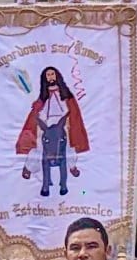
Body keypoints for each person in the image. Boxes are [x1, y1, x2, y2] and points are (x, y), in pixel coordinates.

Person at [16, 66, 89, 198]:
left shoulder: (65, 94)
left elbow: (71, 111)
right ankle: (29, 168)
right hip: (46, 126)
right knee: (39, 149)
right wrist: (38, 110)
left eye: (52, 74)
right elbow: (38, 113)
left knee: (68, 148)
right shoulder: (43, 97)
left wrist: (67, 122)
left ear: (57, 76)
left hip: (62, 125)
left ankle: (72, 167)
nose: (50, 77)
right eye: (48, 75)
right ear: (45, 78)